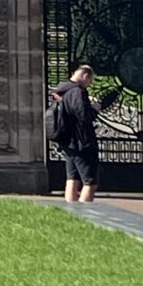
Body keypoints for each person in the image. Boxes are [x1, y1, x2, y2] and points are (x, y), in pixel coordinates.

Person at [49, 63, 101, 203]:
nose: (89, 84)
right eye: (90, 80)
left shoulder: (62, 90)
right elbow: (84, 117)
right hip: (81, 142)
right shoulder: (77, 92)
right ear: (85, 76)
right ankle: (83, 211)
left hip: (67, 140)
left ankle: (70, 210)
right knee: (90, 182)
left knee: (72, 179)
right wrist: (95, 109)